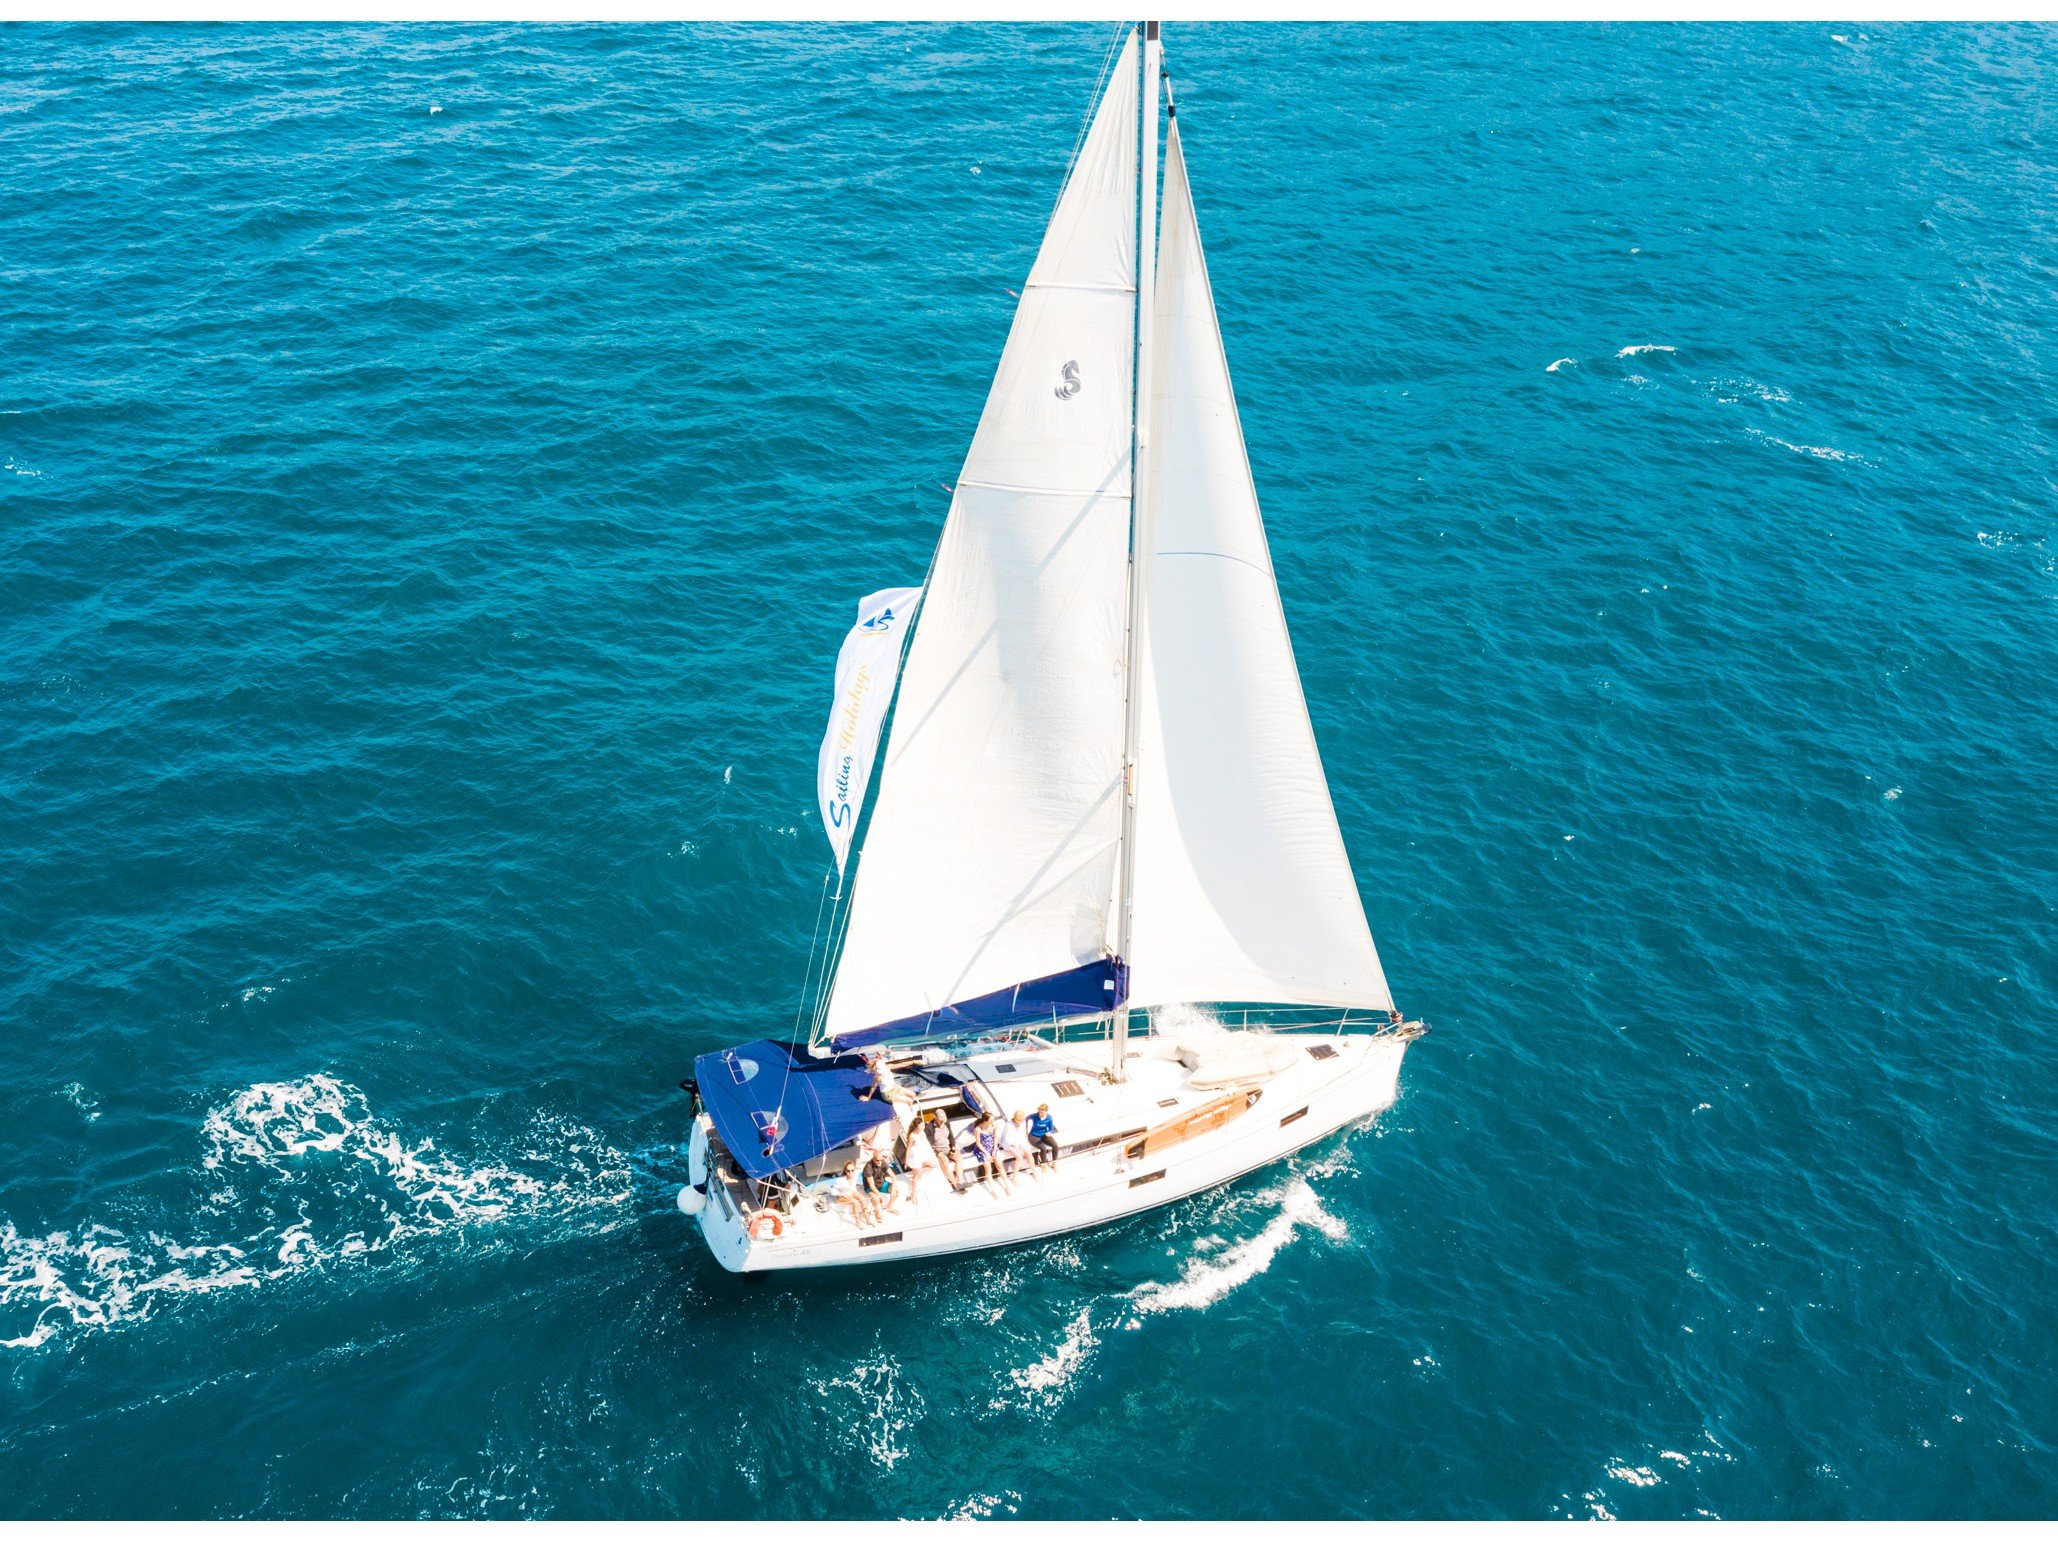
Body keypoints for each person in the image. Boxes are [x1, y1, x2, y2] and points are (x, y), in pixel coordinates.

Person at [864, 1049, 918, 1133]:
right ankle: (911, 1115)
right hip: (887, 1094)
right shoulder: (878, 1077)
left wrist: (914, 1062)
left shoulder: (888, 1067)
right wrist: (868, 1097)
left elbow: (901, 1064)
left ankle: (910, 1110)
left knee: (913, 1094)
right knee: (909, 1100)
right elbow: (873, 1087)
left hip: (894, 1087)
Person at [964, 1113, 1012, 1194]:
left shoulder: (994, 1125)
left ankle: (1007, 1186)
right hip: (982, 1150)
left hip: (993, 1147)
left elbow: (996, 1138)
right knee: (988, 1168)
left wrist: (994, 1150)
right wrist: (987, 1154)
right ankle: (993, 1190)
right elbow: (978, 1143)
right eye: (991, 1120)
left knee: (999, 1165)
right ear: (985, 1121)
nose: (993, 1121)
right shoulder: (978, 1129)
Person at [921, 1109, 964, 1192]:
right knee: (944, 1161)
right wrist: (938, 1153)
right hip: (938, 1151)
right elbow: (929, 1144)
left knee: (959, 1157)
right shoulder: (929, 1127)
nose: (942, 1121)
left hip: (948, 1149)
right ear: (935, 1117)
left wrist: (953, 1146)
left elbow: (951, 1136)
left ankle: (961, 1181)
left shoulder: (946, 1123)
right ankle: (955, 1184)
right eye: (940, 1120)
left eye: (943, 1119)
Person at [900, 1121, 939, 1204]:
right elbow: (908, 1148)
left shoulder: (921, 1133)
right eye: (922, 1124)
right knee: (916, 1177)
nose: (923, 1125)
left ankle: (919, 1170)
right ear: (917, 1126)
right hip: (915, 1158)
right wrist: (906, 1160)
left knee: (934, 1165)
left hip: (921, 1156)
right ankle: (913, 1195)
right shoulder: (912, 1136)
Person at [833, 1159, 878, 1228]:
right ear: (845, 1171)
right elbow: (833, 1191)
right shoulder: (840, 1180)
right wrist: (844, 1195)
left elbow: (853, 1188)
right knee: (855, 1202)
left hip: (852, 1192)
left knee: (862, 1199)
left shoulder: (855, 1175)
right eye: (848, 1171)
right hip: (841, 1196)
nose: (850, 1172)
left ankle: (867, 1219)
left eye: (852, 1170)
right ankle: (858, 1222)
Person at [862, 1149, 901, 1215]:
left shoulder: (883, 1162)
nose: (879, 1162)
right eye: (877, 1160)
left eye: (881, 1159)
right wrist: (879, 1194)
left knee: (896, 1190)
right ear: (873, 1158)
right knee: (875, 1199)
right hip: (870, 1188)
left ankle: (888, 1207)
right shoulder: (868, 1167)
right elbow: (871, 1185)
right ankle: (878, 1212)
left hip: (881, 1184)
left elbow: (893, 1177)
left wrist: (893, 1189)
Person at [999, 1110, 1032, 1181]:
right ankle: (1014, 1178)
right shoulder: (1009, 1125)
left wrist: (1023, 1147)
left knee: (1028, 1153)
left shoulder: (1023, 1123)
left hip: (1018, 1143)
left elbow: (1022, 1136)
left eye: (1022, 1120)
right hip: (1008, 1144)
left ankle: (1034, 1172)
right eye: (1020, 1120)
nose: (1022, 1121)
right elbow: (1009, 1140)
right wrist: (1019, 1150)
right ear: (1016, 1118)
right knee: (1019, 1157)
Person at [1027, 1103, 1061, 1169]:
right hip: (1034, 1136)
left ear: (1046, 1112)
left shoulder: (1049, 1118)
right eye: (1039, 1112)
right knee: (1043, 1147)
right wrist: (1026, 1128)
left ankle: (1054, 1163)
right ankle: (1044, 1164)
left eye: (1042, 1113)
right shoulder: (1034, 1116)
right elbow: (1026, 1118)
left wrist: (1050, 1132)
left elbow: (1051, 1129)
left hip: (1044, 1135)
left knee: (1055, 1145)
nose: (1040, 1114)